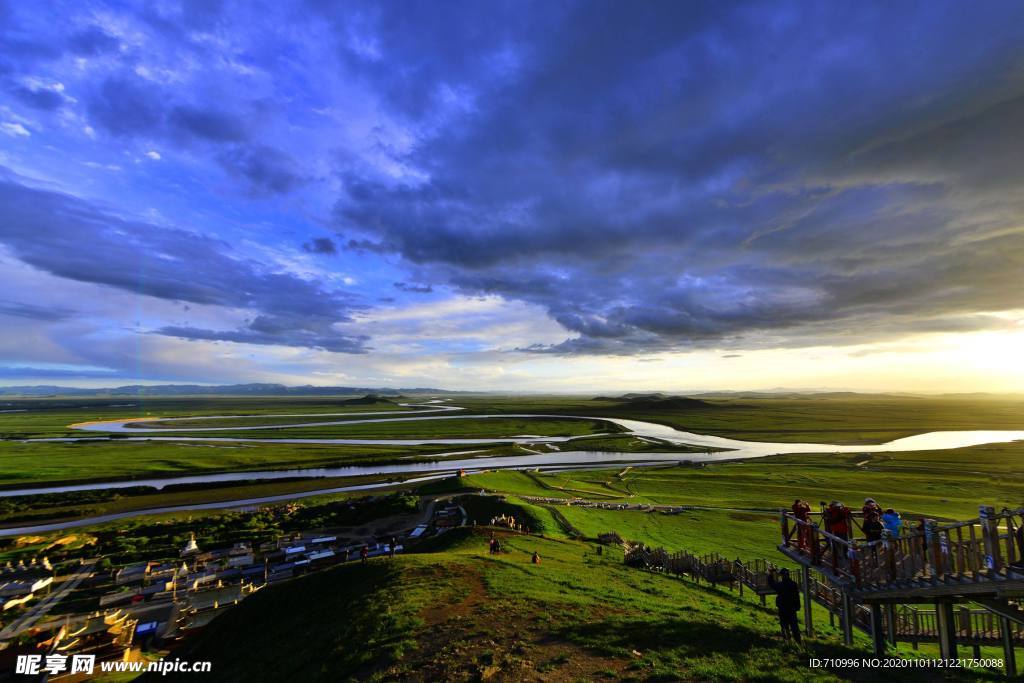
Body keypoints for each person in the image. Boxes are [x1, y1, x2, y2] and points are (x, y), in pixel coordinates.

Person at [767, 568, 802, 643]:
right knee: (794, 626)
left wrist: (770, 574)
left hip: (782, 608)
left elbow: (772, 584)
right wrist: (798, 606)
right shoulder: (793, 584)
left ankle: (787, 641)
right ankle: (798, 642)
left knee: (784, 625)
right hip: (792, 608)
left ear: (782, 576)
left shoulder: (780, 585)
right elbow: (797, 596)